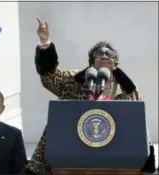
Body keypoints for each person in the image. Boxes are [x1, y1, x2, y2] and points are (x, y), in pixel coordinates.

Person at [23, 17, 156, 175]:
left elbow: (138, 126)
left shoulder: (129, 89)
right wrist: (45, 43)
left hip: (114, 159)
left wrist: (147, 162)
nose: (105, 56)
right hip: (70, 156)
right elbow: (49, 77)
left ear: (116, 62)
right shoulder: (74, 80)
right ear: (92, 61)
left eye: (110, 54)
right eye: (99, 53)